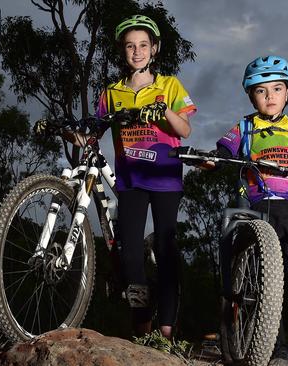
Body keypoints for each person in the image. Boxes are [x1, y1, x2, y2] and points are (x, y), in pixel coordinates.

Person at [207, 56, 288, 366]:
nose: (270, 97)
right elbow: (222, 151)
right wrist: (211, 159)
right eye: (261, 91)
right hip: (257, 209)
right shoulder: (246, 126)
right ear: (251, 95)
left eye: (277, 89)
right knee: (265, 284)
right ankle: (278, 349)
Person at [88, 14, 197, 339]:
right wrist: (67, 132)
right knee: (130, 253)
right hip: (131, 179)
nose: (137, 52)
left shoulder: (169, 85)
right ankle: (142, 326)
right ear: (123, 51)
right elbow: (93, 133)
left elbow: (185, 129)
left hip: (165, 177)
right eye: (130, 46)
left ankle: (165, 332)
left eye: (143, 45)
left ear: (155, 49)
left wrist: (162, 109)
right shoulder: (112, 92)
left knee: (166, 249)